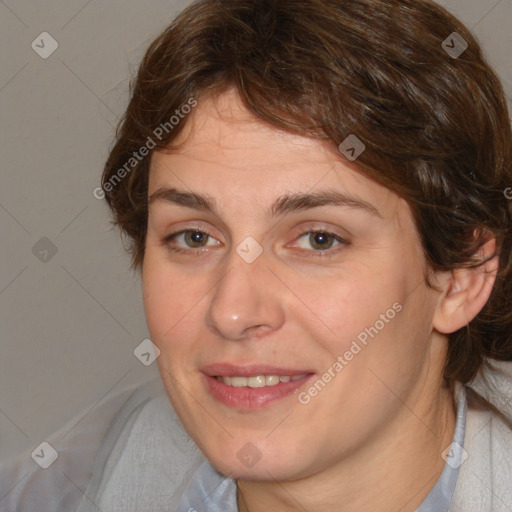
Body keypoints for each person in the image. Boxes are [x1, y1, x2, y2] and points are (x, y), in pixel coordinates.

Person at [84, 0, 512, 510]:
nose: (233, 312)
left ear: (461, 277)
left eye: (318, 239)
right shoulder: (74, 479)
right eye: (194, 237)